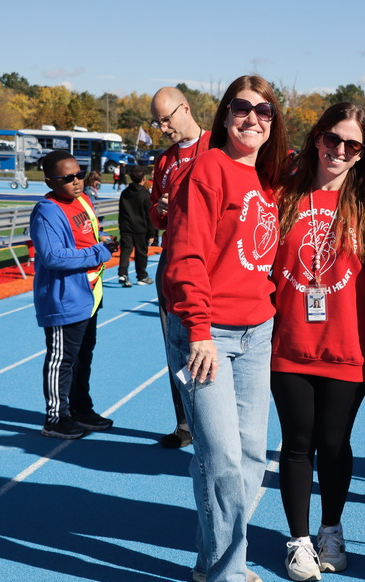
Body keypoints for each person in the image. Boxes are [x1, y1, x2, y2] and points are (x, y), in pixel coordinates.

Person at [162, 75, 289, 582]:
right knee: (219, 455)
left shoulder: (266, 179)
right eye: (242, 108)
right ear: (224, 114)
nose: (253, 118)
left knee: (252, 454)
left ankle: (209, 557)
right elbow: (186, 254)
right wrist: (198, 329)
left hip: (256, 332)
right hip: (208, 333)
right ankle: (227, 575)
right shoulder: (207, 169)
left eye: (264, 111)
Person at [271, 102, 365, 582]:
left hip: (347, 347)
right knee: (297, 443)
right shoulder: (284, 196)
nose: (339, 150)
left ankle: (330, 530)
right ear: (317, 138)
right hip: (290, 343)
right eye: (333, 139)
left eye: (351, 145)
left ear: (362, 153)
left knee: (335, 444)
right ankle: (298, 540)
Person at [30, 151, 119, 439]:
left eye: (79, 174)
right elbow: (53, 256)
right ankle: (56, 418)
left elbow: (85, 236)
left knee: (83, 355)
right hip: (65, 296)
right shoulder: (47, 211)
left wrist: (102, 241)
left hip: (89, 292)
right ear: (49, 181)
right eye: (67, 178)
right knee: (62, 358)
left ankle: (81, 408)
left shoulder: (83, 200)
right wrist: (99, 252)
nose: (76, 181)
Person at [148, 86, 212, 449]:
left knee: (209, 342)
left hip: (210, 261)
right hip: (172, 260)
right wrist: (161, 210)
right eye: (157, 123)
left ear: (185, 108)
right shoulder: (164, 160)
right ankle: (185, 424)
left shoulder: (218, 147)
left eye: (166, 120)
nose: (163, 128)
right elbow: (154, 215)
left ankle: (213, 424)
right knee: (174, 346)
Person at [117, 167, 154, 287]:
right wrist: (151, 233)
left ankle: (123, 273)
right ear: (143, 178)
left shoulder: (125, 193)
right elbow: (149, 215)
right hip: (141, 228)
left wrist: (121, 226)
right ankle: (141, 276)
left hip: (126, 226)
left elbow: (121, 211)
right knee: (141, 253)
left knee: (125, 251)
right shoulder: (145, 194)